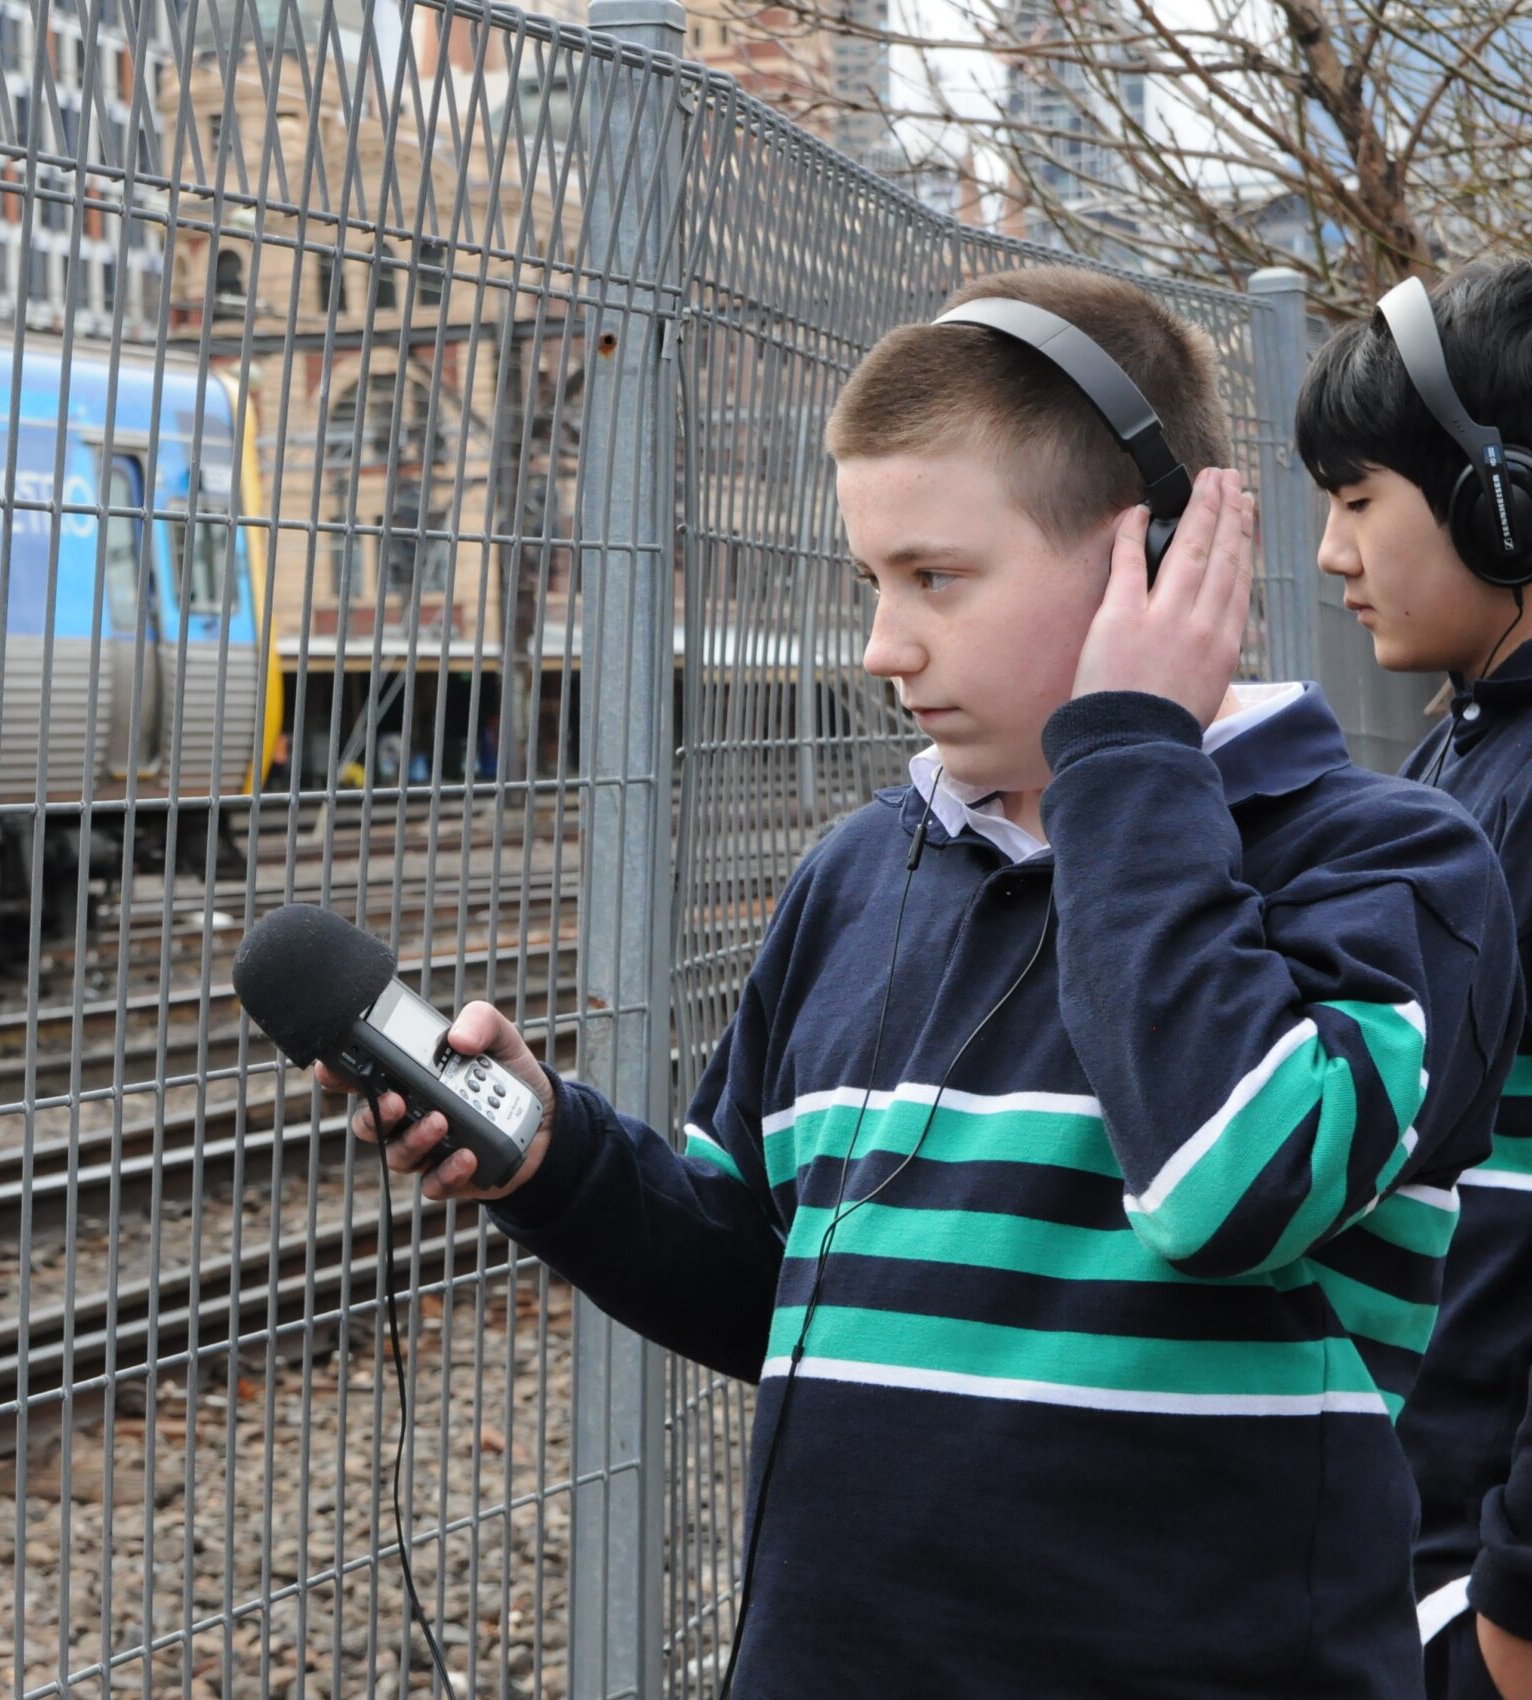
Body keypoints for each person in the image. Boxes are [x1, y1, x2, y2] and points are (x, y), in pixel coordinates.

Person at [322, 266, 1524, 1697]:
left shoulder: (1391, 869)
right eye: (872, 582)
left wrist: (1127, 753)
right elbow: (762, 1275)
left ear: (1150, 557)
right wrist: (557, 1161)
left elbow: (1228, 1182)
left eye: (936, 579)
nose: (885, 647)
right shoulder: (859, 879)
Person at [1296, 257, 1532, 1700]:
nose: (1331, 554)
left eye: (1360, 497)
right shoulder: (1472, 748)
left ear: (1501, 499)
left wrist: (1513, 1590)